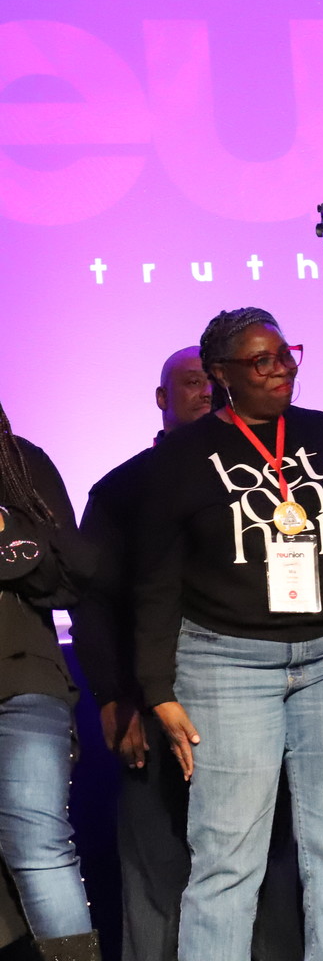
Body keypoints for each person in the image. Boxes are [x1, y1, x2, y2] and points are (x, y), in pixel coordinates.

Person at [133, 307, 323, 961]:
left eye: (286, 354)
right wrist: (157, 689)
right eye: (262, 360)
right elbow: (156, 581)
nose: (281, 369)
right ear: (221, 374)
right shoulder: (182, 458)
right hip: (227, 662)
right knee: (227, 857)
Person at [71, 347, 303, 961]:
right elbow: (94, 601)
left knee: (265, 863)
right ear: (161, 397)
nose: (206, 392)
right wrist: (114, 696)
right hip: (153, 704)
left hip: (251, 698)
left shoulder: (264, 477)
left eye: (213, 382)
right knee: (157, 868)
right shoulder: (124, 487)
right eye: (192, 381)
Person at [0, 400, 101, 961]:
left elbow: (70, 575)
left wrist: (5, 526)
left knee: (38, 846)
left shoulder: (19, 462)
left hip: (20, 679)